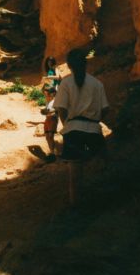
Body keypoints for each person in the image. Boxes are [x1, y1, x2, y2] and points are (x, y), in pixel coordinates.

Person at [53, 48, 109, 205]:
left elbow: (61, 108)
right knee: (101, 163)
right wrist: (95, 121)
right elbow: (106, 109)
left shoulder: (66, 82)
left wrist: (67, 125)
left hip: (73, 130)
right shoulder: (97, 84)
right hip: (93, 129)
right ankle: (102, 202)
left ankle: (75, 206)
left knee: (75, 172)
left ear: (69, 65)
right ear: (85, 64)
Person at [40, 85, 58, 162]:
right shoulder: (48, 101)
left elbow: (56, 110)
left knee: (50, 136)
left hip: (53, 119)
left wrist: (47, 111)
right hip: (48, 119)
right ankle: (52, 151)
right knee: (47, 136)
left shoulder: (54, 101)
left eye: (46, 94)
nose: (45, 95)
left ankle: (53, 153)